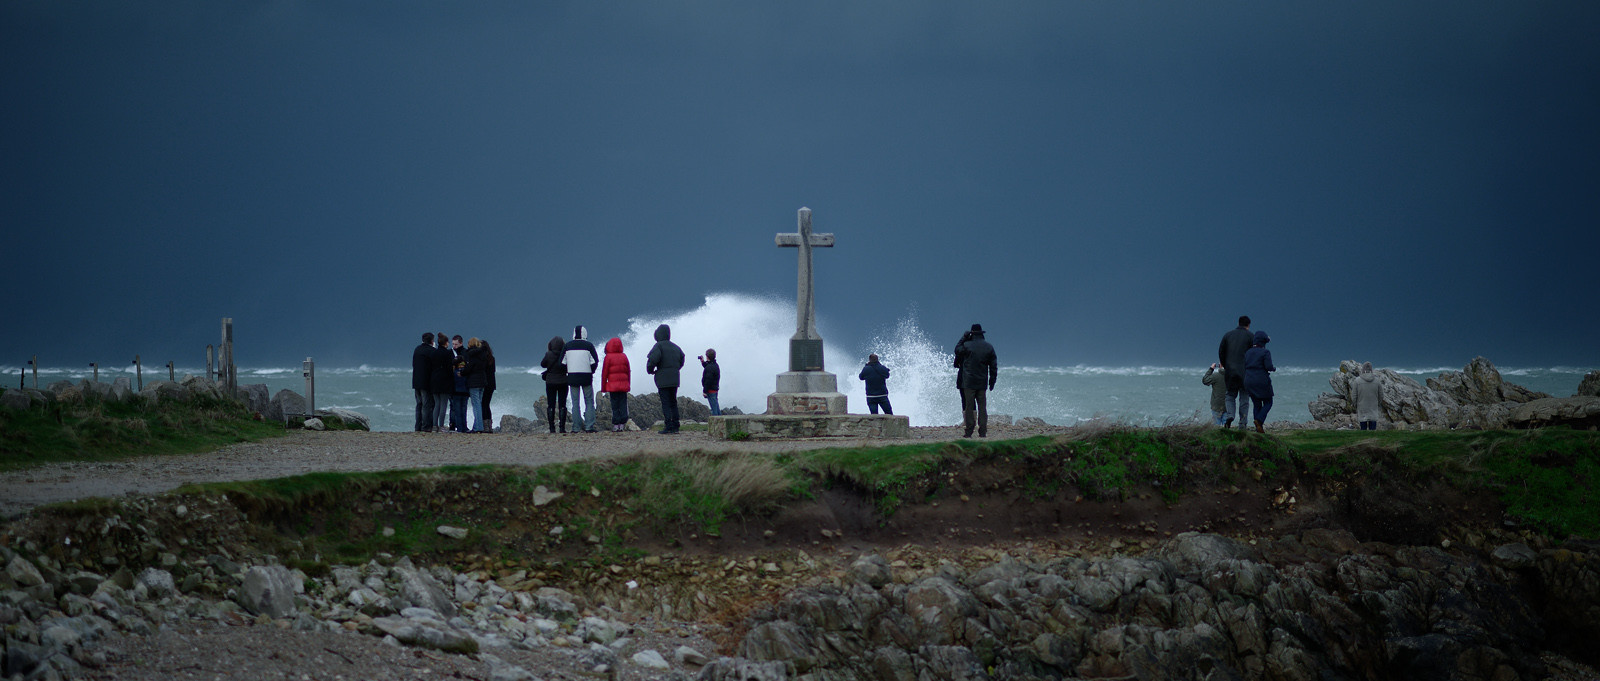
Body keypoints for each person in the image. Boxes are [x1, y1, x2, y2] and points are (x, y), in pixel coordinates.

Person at [955, 324, 998, 438]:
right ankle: (982, 431)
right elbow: (993, 367)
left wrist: (963, 337)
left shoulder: (966, 345)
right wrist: (992, 381)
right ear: (982, 334)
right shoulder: (989, 347)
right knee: (982, 407)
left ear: (971, 333)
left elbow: (957, 350)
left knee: (969, 407)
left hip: (968, 382)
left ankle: (969, 431)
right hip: (982, 382)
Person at [646, 323, 685, 434]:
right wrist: (676, 368)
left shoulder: (658, 346)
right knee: (673, 402)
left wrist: (650, 370)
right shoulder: (676, 347)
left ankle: (668, 426)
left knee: (666, 403)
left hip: (663, 379)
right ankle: (676, 426)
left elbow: (653, 360)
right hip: (674, 378)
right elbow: (682, 359)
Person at [1218, 316, 1255, 429]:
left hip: (1230, 372)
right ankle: (1242, 423)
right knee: (1244, 397)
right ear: (1248, 325)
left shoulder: (1228, 335)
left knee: (1230, 395)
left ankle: (1230, 416)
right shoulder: (1250, 336)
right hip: (1245, 372)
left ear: (1238, 323)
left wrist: (1226, 365)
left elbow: (1221, 352)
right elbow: (1253, 354)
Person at [563, 326, 600, 433]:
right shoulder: (589, 345)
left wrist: (569, 370)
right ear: (585, 334)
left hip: (572, 377)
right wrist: (591, 371)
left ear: (574, 334)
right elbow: (595, 362)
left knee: (575, 403)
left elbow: (562, 363)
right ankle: (589, 426)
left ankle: (576, 428)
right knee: (589, 401)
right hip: (586, 377)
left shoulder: (568, 346)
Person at [1242, 330, 1275, 433]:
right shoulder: (1265, 352)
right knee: (1268, 402)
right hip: (1261, 380)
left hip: (1248, 381)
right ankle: (1259, 421)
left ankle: (1258, 429)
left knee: (1256, 404)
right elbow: (1268, 367)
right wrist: (1273, 368)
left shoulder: (1248, 352)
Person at [540, 335, 569, 433]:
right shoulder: (565, 355)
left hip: (550, 382)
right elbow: (568, 367)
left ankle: (552, 428)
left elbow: (542, 364)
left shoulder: (548, 354)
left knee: (551, 405)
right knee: (562, 405)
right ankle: (562, 428)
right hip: (563, 381)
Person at [602, 337, 631, 431]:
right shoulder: (624, 356)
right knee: (623, 403)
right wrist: (628, 385)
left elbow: (604, 373)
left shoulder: (608, 357)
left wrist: (603, 387)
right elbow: (628, 372)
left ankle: (616, 424)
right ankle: (623, 423)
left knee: (615, 405)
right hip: (623, 385)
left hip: (612, 386)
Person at [412, 332, 436, 432]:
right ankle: (426, 426)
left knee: (419, 404)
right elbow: (433, 366)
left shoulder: (417, 349)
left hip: (416, 381)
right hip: (426, 382)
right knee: (426, 405)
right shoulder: (431, 351)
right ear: (432, 341)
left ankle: (418, 426)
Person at [465, 337, 490, 433]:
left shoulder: (472, 355)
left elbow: (469, 368)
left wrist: (462, 372)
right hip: (482, 381)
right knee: (479, 403)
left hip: (474, 382)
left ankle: (478, 427)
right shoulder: (483, 354)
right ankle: (478, 426)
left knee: (476, 405)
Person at [429, 331, 452, 432]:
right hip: (444, 381)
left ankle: (434, 426)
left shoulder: (433, 353)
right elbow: (449, 369)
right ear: (445, 343)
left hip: (434, 380)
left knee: (436, 404)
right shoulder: (447, 353)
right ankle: (441, 425)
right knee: (443, 404)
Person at [1352, 361, 1383, 431]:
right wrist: (1378, 403)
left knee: (1363, 429)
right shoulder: (1377, 381)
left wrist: (1355, 404)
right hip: (1373, 407)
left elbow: (1354, 395)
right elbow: (1381, 395)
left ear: (1363, 369)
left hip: (1362, 407)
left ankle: (1364, 440)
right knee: (1373, 429)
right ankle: (1373, 440)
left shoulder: (1357, 381)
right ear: (1371, 370)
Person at [449, 335, 469, 433]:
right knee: (454, 408)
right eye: (453, 344)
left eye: (456, 344)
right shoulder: (450, 353)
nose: (454, 346)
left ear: (461, 343)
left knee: (462, 408)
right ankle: (454, 426)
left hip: (463, 385)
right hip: (454, 385)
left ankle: (463, 427)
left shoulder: (466, 353)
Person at [480, 339, 497, 432]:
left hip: (484, 383)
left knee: (483, 404)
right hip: (492, 384)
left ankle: (485, 425)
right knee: (487, 404)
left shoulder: (482, 359)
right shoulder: (492, 358)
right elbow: (493, 371)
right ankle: (489, 425)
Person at [700, 349, 721, 416]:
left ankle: (717, 424)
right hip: (715, 389)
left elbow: (708, 381)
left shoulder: (710, 367)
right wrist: (702, 361)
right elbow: (707, 366)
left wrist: (705, 391)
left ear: (707, 356)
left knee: (714, 410)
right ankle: (721, 421)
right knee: (716, 407)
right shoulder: (715, 365)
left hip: (711, 390)